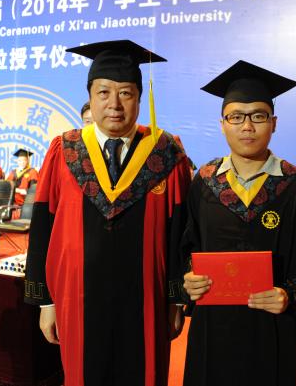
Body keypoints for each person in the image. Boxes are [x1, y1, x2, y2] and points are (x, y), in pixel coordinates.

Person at [24, 40, 192, 386]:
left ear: (139, 99)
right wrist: (45, 302)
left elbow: (181, 233)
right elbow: (43, 228)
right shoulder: (64, 150)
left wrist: (176, 301)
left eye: (126, 93)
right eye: (103, 93)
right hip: (77, 301)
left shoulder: (165, 154)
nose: (114, 104)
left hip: (146, 303)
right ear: (90, 96)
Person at [181, 60, 296, 386]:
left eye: (258, 116)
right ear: (222, 124)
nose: (247, 126)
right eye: (236, 117)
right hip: (213, 328)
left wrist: (290, 294)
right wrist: (187, 278)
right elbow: (186, 244)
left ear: (274, 123)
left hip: (273, 329)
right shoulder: (205, 182)